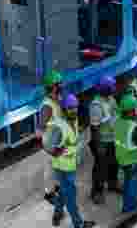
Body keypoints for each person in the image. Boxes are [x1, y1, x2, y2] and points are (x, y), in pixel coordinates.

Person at [45, 93, 96, 228]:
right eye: (70, 108)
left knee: (64, 191)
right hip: (63, 168)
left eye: (75, 107)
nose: (74, 110)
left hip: (70, 165)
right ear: (64, 109)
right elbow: (47, 145)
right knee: (71, 197)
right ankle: (78, 224)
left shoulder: (73, 119)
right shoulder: (58, 126)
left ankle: (57, 212)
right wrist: (56, 152)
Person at [115, 94, 137, 214]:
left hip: (122, 159)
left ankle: (130, 204)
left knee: (128, 183)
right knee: (133, 185)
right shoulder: (134, 128)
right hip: (133, 161)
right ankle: (130, 208)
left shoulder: (118, 122)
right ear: (130, 111)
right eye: (135, 109)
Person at [89, 76, 119, 204]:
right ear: (105, 89)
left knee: (114, 164)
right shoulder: (96, 105)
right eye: (112, 86)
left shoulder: (111, 99)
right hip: (102, 141)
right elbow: (94, 128)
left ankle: (113, 183)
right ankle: (97, 191)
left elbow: (115, 115)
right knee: (100, 168)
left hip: (113, 139)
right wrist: (98, 145)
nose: (114, 88)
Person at [39, 71, 64, 210]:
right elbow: (41, 127)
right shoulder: (47, 106)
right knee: (49, 169)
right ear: (53, 87)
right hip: (50, 144)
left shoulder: (57, 99)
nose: (61, 85)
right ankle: (49, 193)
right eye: (59, 84)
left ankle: (57, 186)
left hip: (58, 141)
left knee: (58, 167)